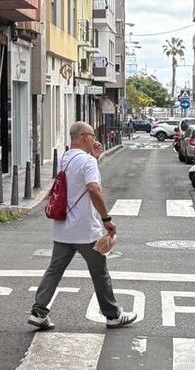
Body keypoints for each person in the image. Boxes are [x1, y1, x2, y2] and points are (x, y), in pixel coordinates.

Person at [30, 120, 139, 331]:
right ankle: (113, 315)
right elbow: (93, 189)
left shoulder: (64, 158)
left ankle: (38, 312)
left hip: (63, 228)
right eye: (92, 135)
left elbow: (75, 181)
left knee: (54, 271)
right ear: (85, 137)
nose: (95, 139)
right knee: (100, 273)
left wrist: (94, 158)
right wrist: (107, 219)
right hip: (86, 230)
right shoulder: (87, 163)